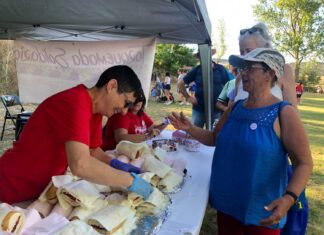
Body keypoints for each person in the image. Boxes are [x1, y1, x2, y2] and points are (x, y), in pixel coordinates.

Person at [168, 48, 313, 235]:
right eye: (242, 68)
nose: (242, 72)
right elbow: (214, 138)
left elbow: (304, 163)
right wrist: (190, 129)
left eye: (250, 68)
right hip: (227, 205)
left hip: (263, 212)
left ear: (270, 73)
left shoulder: (283, 113)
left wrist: (289, 198)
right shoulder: (235, 107)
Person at [0, 65, 153, 204]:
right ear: (112, 86)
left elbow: (92, 151)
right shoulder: (75, 102)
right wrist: (129, 181)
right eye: (126, 103)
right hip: (10, 185)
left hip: (35, 191)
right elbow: (81, 165)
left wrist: (116, 164)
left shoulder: (96, 111)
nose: (125, 111)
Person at [232, 23, 297, 107]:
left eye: (249, 51)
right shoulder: (240, 77)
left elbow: (292, 110)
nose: (245, 56)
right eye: (241, 52)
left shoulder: (284, 70)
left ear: (265, 48)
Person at [178, 48, 230, 128]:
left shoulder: (220, 69)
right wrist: (188, 97)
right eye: (200, 55)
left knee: (214, 135)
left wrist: (225, 105)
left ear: (210, 55)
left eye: (205, 54)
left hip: (216, 110)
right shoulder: (197, 69)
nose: (203, 57)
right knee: (195, 135)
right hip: (199, 109)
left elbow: (229, 85)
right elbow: (180, 83)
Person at [101, 93, 168, 151]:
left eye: (141, 98)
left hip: (129, 152)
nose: (138, 101)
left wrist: (167, 122)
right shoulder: (122, 114)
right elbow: (121, 138)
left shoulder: (141, 114)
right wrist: (147, 137)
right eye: (135, 98)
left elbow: (153, 129)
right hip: (112, 153)